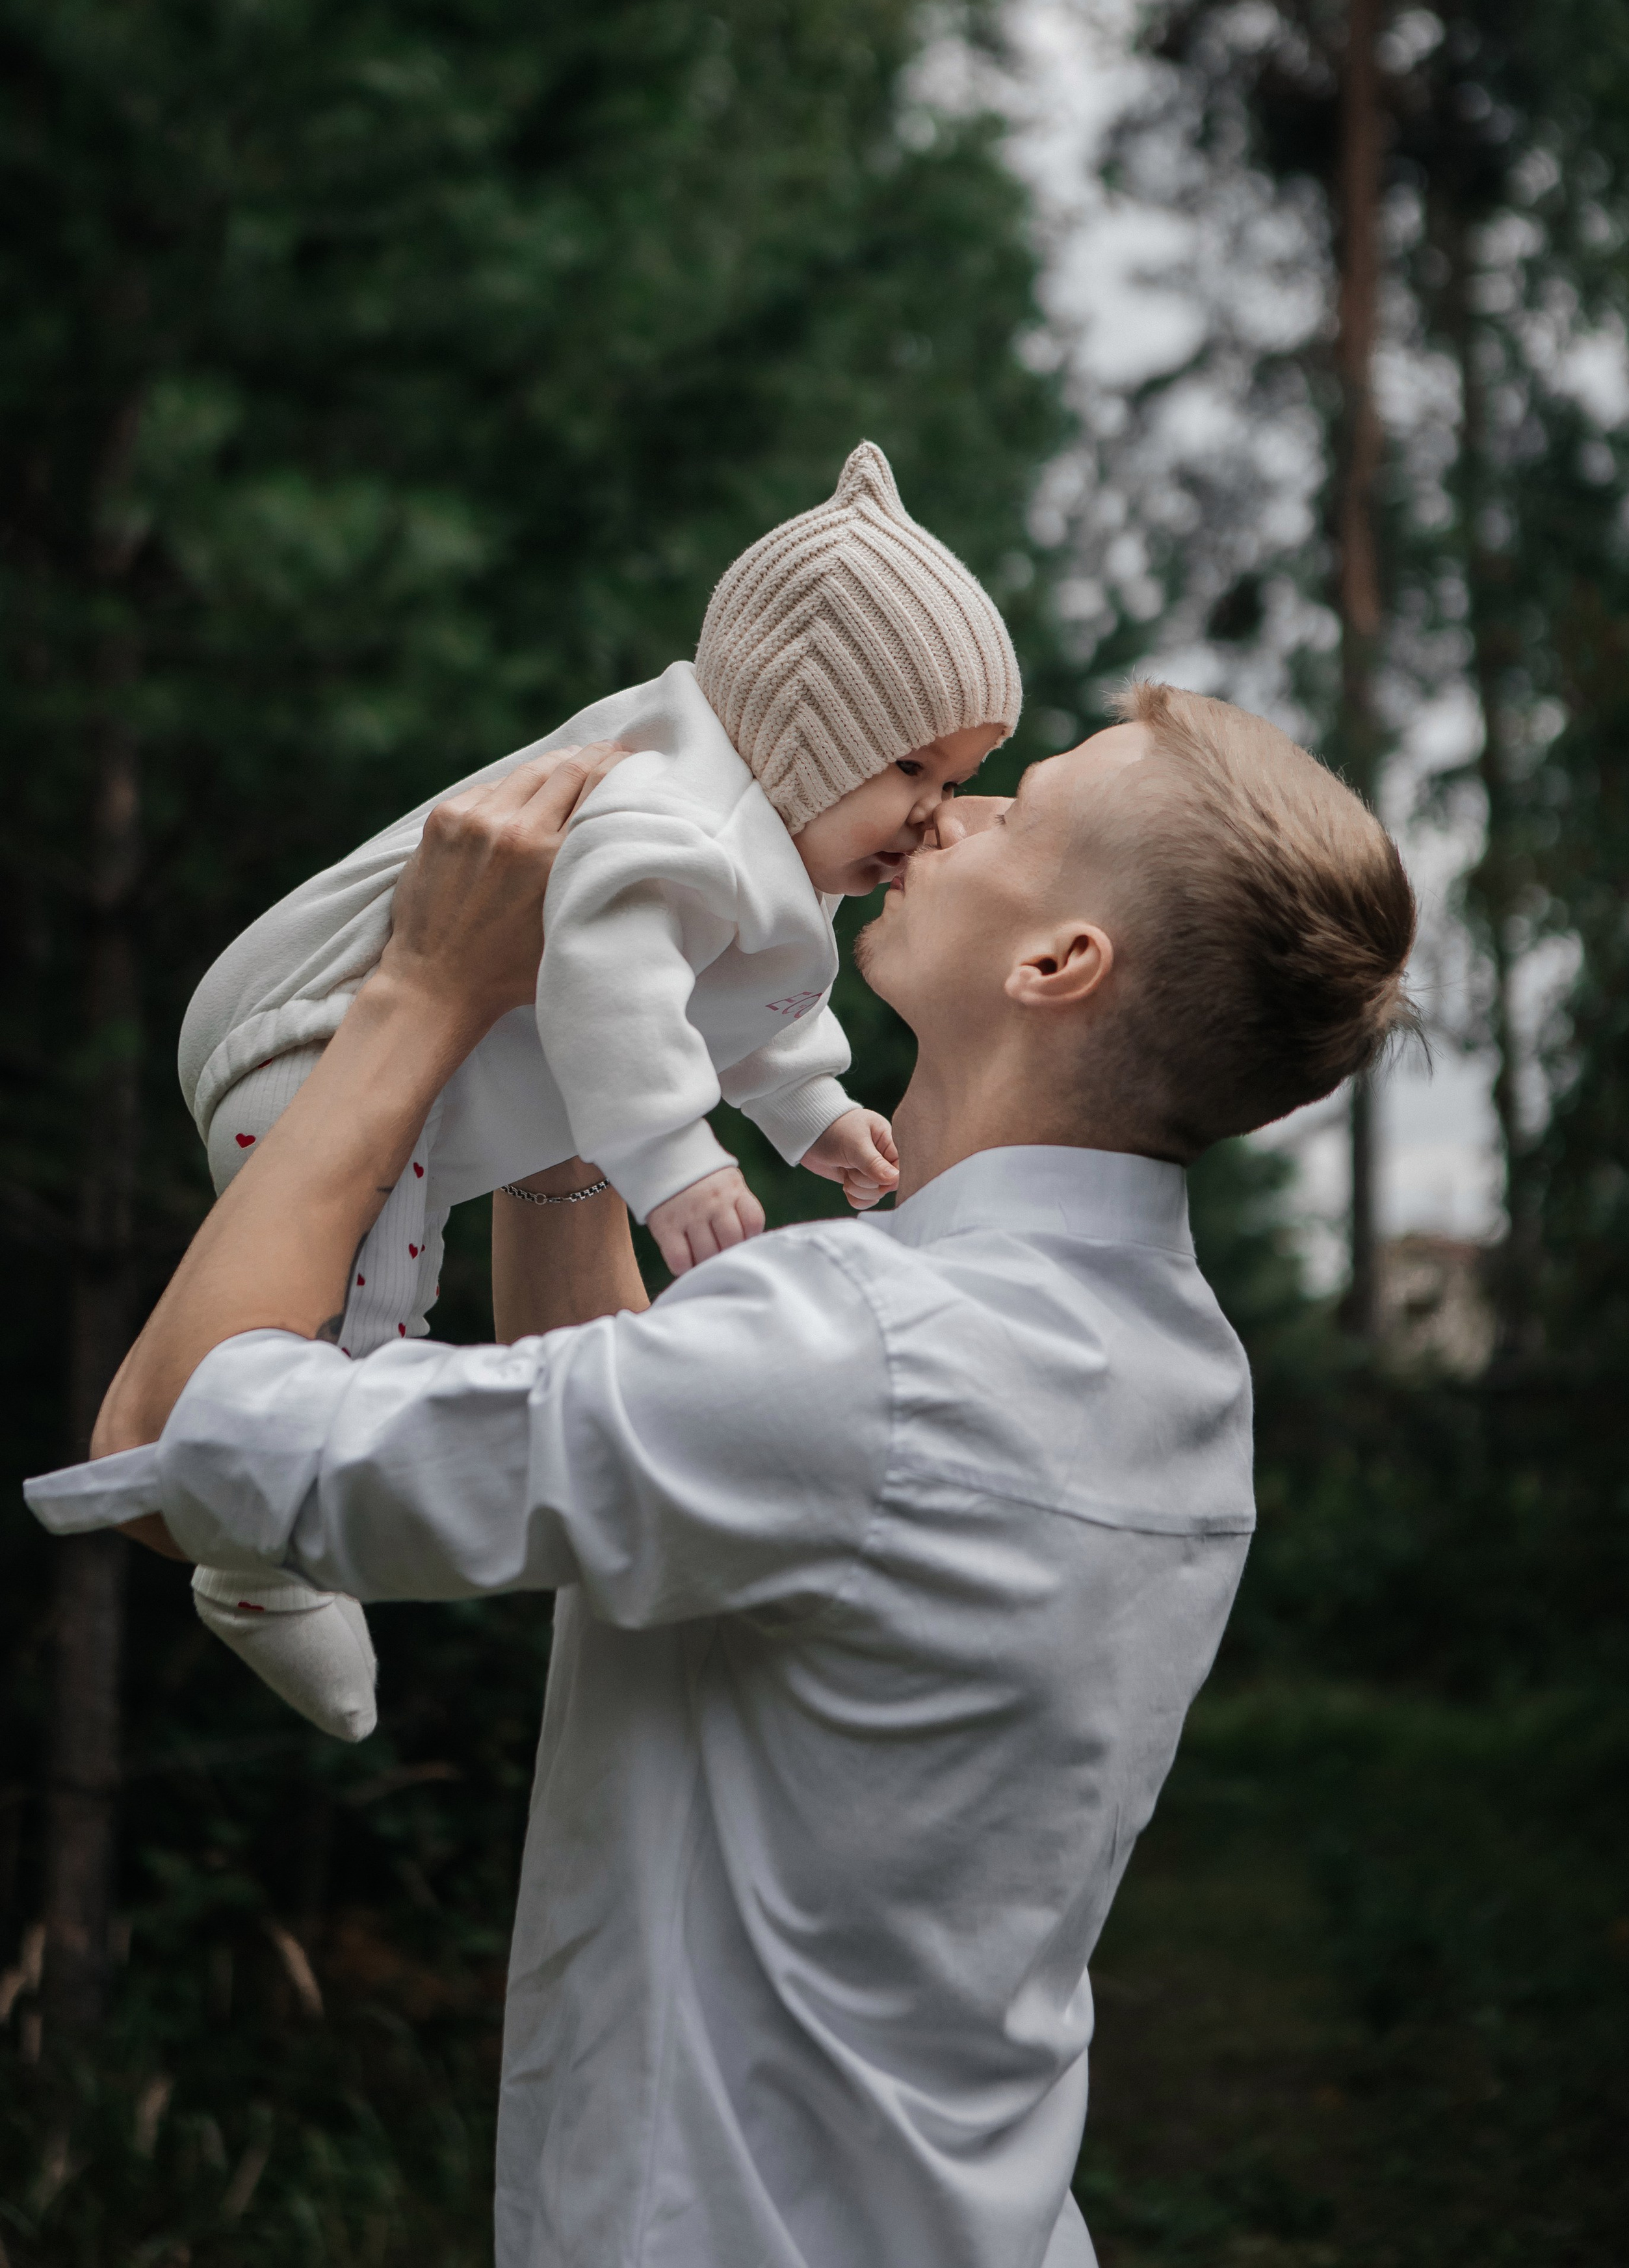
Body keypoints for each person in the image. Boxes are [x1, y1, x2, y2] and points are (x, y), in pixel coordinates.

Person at [26, 679, 1417, 2268]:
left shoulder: (861, 1355)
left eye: (1014, 813)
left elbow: (173, 1446)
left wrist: (417, 992)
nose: (943, 813)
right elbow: (662, 1456)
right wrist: (571, 1073)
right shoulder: (1160, 1366)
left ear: (1058, 963)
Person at [172, 440, 1021, 1738]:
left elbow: (750, 1015)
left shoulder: (769, 861)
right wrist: (671, 1159)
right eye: (914, 772)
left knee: (369, 1320)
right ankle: (254, 1564)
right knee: (368, 1317)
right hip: (303, 1056)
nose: (940, 820)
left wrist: (809, 1116)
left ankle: (274, 1522)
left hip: (419, 1078)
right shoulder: (673, 816)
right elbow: (615, 983)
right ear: (806, 734)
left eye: (958, 785)